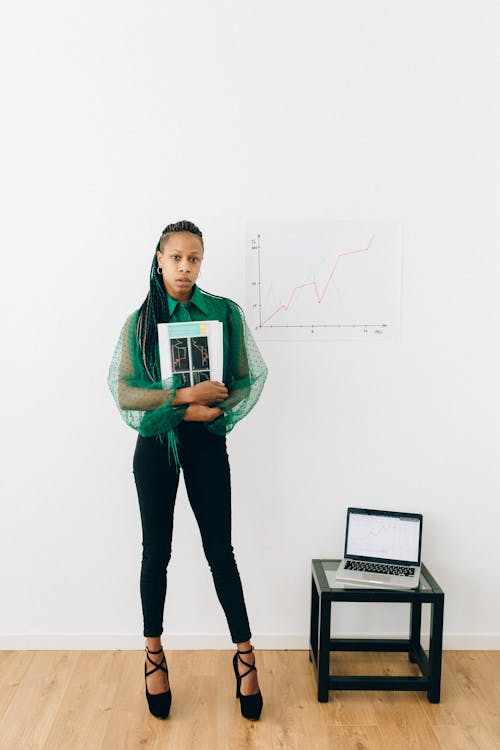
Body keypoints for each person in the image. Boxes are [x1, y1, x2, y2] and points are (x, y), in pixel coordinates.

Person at [107, 220, 268, 720]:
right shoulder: (140, 321)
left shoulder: (223, 313)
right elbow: (125, 391)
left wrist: (211, 411)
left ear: (202, 261)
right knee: (156, 552)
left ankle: (245, 656)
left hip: (205, 446)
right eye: (175, 257)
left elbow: (245, 378)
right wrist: (183, 400)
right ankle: (153, 654)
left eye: (193, 258)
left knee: (221, 551)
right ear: (159, 259)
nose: (184, 267)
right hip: (155, 446)